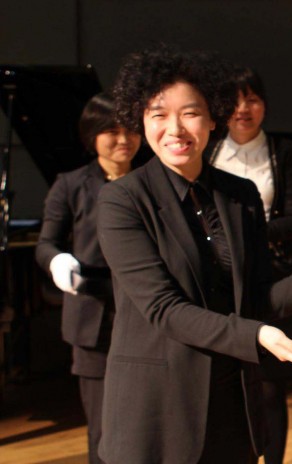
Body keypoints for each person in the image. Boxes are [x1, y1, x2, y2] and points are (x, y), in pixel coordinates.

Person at [97, 46, 292, 464]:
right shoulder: (122, 200)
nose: (175, 128)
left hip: (231, 399)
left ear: (214, 117)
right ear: (141, 120)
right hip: (159, 406)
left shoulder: (241, 195)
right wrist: (256, 335)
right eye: (159, 115)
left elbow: (259, 299)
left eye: (190, 113)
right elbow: (163, 308)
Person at [207, 66, 292, 464]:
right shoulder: (208, 150)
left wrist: (246, 234)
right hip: (216, 278)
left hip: (268, 276)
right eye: (233, 101)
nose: (242, 109)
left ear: (264, 105)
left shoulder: (285, 153)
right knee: (220, 381)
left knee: (268, 383)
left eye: (251, 99)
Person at [35, 92, 141, 464]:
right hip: (93, 311)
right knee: (102, 426)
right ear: (91, 135)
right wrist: (57, 260)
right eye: (112, 131)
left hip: (145, 308)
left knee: (146, 420)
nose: (124, 139)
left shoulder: (152, 180)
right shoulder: (71, 183)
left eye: (130, 129)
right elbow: (45, 243)